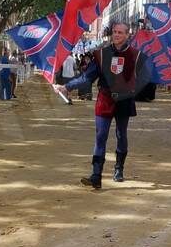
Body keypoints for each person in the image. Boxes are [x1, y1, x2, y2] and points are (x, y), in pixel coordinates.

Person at [53, 22, 150, 189]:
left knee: (121, 135)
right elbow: (87, 77)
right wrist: (66, 86)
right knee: (100, 137)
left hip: (124, 100)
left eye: (121, 32)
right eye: (115, 32)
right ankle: (96, 175)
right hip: (105, 99)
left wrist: (132, 91)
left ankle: (119, 169)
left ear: (128, 34)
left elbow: (145, 78)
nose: (117, 35)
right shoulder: (101, 55)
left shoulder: (137, 55)